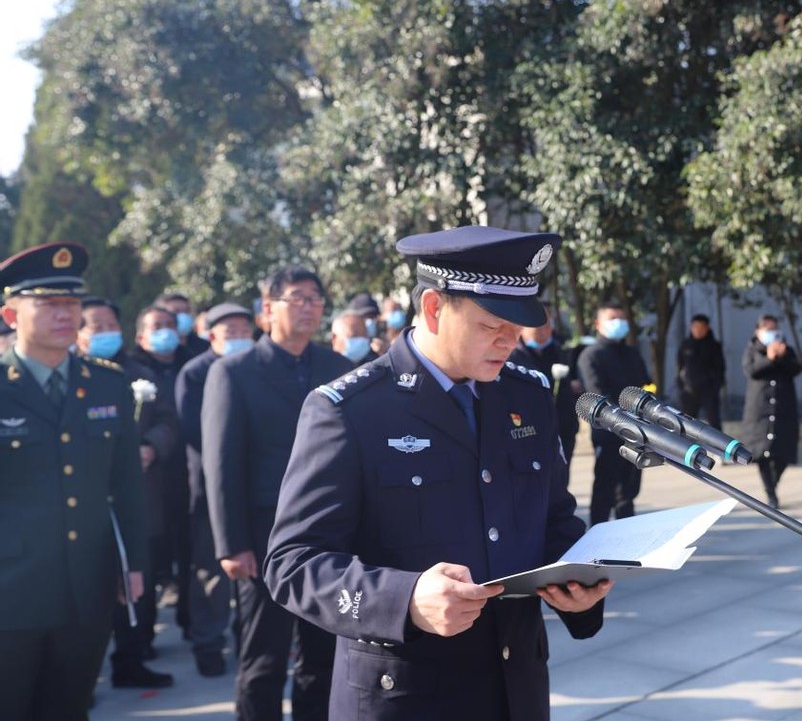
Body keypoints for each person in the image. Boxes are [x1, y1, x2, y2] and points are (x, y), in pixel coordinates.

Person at [264, 226, 608, 721]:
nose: (512, 340)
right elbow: (292, 564)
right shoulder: (349, 410)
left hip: (517, 690)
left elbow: (553, 519)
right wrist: (403, 600)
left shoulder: (526, 394)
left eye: (519, 325)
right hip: (406, 695)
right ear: (432, 308)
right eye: (494, 324)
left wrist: (580, 590)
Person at [0, 242, 148, 720]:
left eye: (71, 303)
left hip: (87, 587)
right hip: (10, 593)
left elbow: (126, 483)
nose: (65, 315)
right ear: (11, 313)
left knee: (69, 708)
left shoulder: (106, 383)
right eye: (48, 303)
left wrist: (134, 564)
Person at [202, 267, 351, 721]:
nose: (308, 307)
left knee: (322, 654)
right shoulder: (234, 372)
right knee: (263, 658)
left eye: (315, 298)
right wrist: (231, 544)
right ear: (268, 308)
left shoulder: (338, 368)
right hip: (263, 537)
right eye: (297, 298)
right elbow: (221, 464)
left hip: (330, 533)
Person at [77, 298, 176, 689]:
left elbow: (170, 421)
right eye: (95, 326)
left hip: (139, 496)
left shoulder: (139, 374)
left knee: (138, 576)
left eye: (109, 324)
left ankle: (133, 657)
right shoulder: (74, 377)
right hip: (85, 505)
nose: (105, 332)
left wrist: (150, 446)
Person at [175, 302, 256, 677]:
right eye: (230, 332)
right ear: (211, 336)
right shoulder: (195, 372)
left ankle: (247, 640)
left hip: (256, 484)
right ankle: (207, 643)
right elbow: (194, 429)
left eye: (244, 330)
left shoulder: (259, 367)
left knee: (254, 569)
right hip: (209, 483)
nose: (239, 338)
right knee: (210, 566)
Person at [128, 304, 191, 635]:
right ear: (141, 335)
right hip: (149, 481)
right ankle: (142, 633)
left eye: (170, 325)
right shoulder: (132, 369)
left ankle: (188, 616)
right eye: (157, 326)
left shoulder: (191, 363)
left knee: (189, 550)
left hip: (186, 471)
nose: (165, 332)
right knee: (151, 555)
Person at [577, 300, 651, 525]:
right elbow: (597, 394)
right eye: (612, 319)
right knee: (604, 490)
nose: (618, 323)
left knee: (628, 492)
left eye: (621, 318)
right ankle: (596, 539)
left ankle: (627, 538)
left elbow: (645, 385)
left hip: (637, 432)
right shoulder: (591, 355)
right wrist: (622, 418)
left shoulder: (631, 353)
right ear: (598, 324)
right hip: (608, 433)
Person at [741, 314, 802, 509]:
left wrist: (781, 357)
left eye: (774, 329)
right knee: (762, 454)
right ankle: (770, 494)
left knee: (783, 452)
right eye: (767, 329)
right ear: (758, 331)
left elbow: (796, 368)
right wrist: (769, 358)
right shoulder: (752, 350)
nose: (772, 333)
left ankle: (773, 484)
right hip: (760, 411)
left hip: (783, 409)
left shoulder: (787, 349)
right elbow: (751, 371)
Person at [509, 304, 583, 465]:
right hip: (530, 429)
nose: (543, 330)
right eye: (537, 325)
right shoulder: (511, 357)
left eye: (547, 324)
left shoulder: (560, 352)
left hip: (563, 427)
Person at [675, 313, 726, 429]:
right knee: (687, 424)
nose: (698, 330)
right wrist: (682, 385)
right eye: (695, 327)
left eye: (701, 327)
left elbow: (720, 369)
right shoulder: (685, 345)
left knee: (714, 423)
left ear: (707, 328)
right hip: (689, 391)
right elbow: (679, 367)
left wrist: (716, 386)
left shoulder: (714, 346)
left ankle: (717, 446)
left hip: (709, 391)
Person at [158, 292, 211, 361]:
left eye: (187, 311)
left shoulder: (205, 347)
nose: (183, 316)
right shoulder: (155, 348)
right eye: (176, 311)